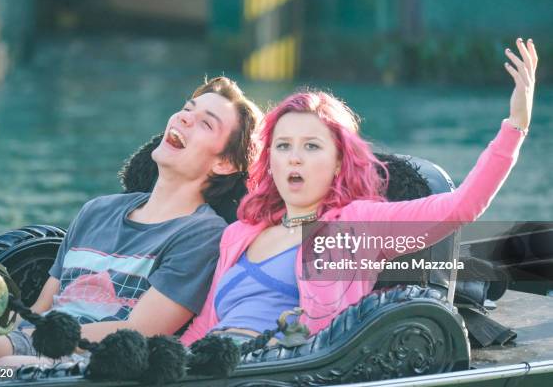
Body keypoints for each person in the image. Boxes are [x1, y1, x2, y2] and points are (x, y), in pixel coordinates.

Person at [180, 38, 538, 346]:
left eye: (312, 147)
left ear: (338, 163)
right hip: (214, 364)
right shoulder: (238, 234)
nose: (294, 159)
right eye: (283, 146)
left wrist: (515, 127)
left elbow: (462, 207)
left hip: (281, 369)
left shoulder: (355, 226)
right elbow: (201, 329)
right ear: (270, 158)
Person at [0, 76, 262, 366]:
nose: (183, 118)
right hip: (32, 346)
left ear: (224, 163)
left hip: (89, 363)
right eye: (186, 109)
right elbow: (42, 309)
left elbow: (138, 331)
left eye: (205, 124)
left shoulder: (202, 234)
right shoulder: (96, 211)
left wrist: (4, 345)